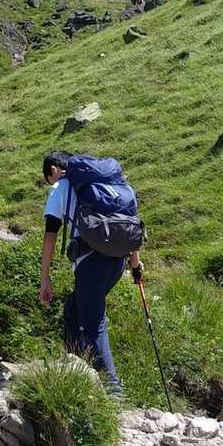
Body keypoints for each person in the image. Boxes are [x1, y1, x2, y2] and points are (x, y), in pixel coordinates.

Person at [39, 150, 144, 397]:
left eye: (48, 178)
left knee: (93, 323)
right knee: (73, 312)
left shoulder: (61, 187)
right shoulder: (112, 186)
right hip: (117, 261)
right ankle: (78, 373)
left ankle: (112, 391)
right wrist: (135, 264)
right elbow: (128, 222)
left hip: (90, 262)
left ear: (53, 170)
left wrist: (45, 278)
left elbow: (50, 234)